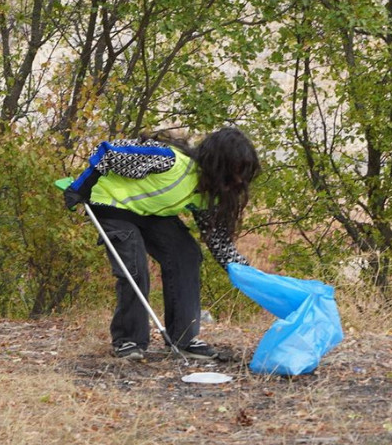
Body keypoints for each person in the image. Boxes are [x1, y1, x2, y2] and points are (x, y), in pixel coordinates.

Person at [61, 128, 261, 361]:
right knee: (134, 268)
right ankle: (128, 340)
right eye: (234, 172)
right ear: (218, 162)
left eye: (242, 174)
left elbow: (219, 242)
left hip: (150, 213)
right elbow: (108, 153)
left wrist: (246, 273)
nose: (238, 180)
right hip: (112, 206)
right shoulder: (170, 161)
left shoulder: (208, 192)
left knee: (186, 254)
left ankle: (184, 338)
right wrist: (80, 188)